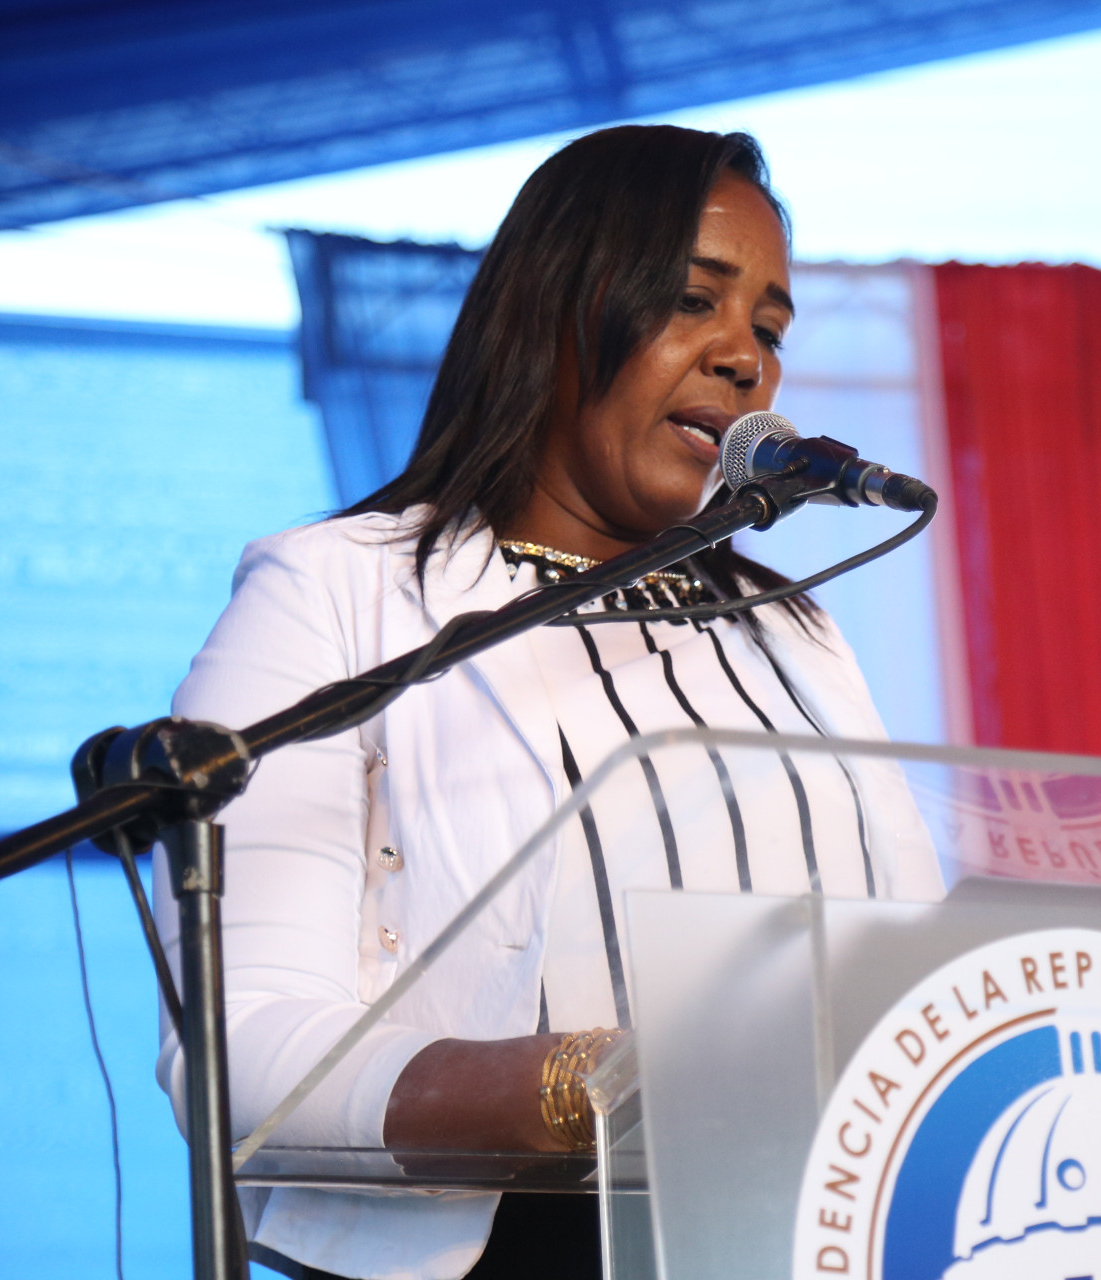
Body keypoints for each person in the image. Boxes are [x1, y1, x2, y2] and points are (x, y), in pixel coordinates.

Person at [159, 124, 945, 1280]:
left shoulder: (795, 634)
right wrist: (586, 1084)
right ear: (557, 309)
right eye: (694, 299)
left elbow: (917, 974)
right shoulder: (342, 592)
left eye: (771, 330)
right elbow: (235, 1043)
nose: (747, 360)